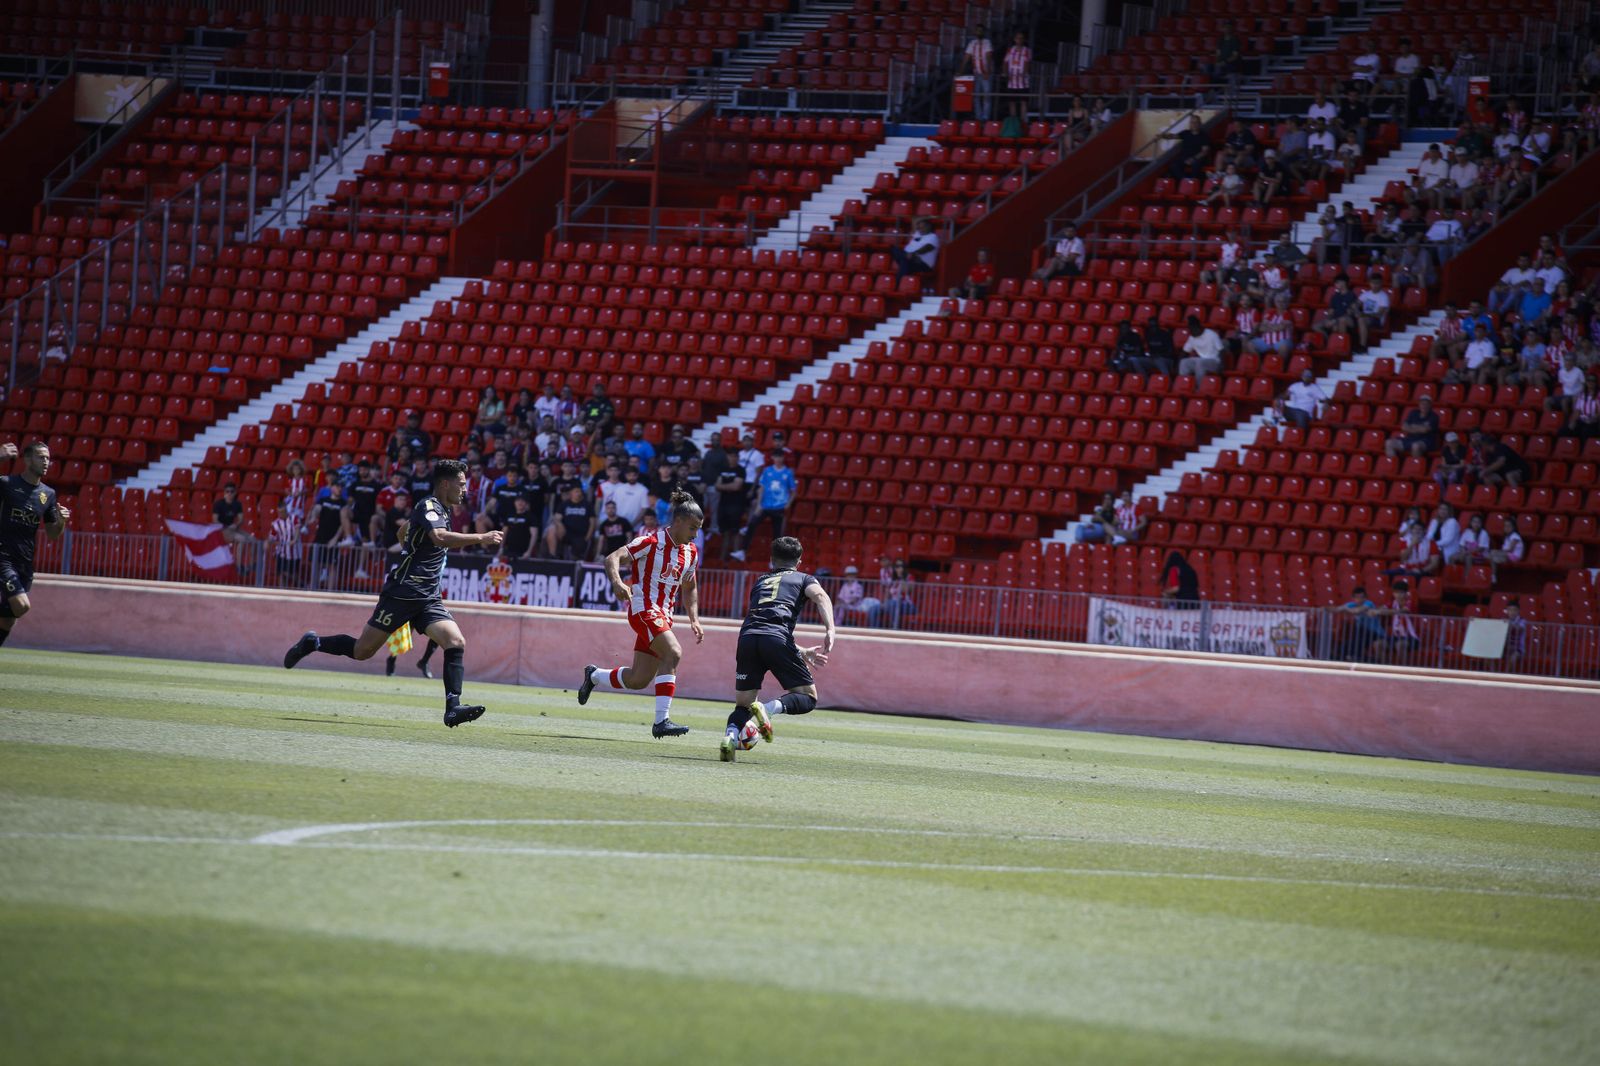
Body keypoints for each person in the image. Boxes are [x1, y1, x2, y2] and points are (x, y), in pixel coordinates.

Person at [282, 459, 504, 728]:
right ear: (445, 484)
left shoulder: (442, 509)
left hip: (427, 596)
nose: (465, 489)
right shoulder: (429, 506)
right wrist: (482, 537)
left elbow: (403, 532)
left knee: (455, 642)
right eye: (461, 484)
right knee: (362, 651)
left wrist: (410, 547)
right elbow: (440, 538)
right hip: (402, 592)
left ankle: (453, 708)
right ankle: (312, 642)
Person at [576, 490, 706, 738]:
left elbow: (690, 586)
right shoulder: (650, 542)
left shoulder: (691, 552)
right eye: (692, 527)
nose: (695, 534)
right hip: (644, 609)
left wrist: (694, 619)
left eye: (698, 529)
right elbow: (612, 557)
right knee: (674, 652)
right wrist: (616, 582)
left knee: (639, 679)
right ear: (677, 521)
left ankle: (594, 676)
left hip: (664, 616)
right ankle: (661, 722)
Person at [720, 536, 837, 762]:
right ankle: (768, 709)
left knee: (742, 704)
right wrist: (830, 629)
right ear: (799, 561)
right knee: (808, 697)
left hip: (747, 639)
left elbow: (763, 624)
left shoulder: (761, 581)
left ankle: (730, 737)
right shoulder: (804, 578)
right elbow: (820, 596)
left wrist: (801, 651)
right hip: (776, 639)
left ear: (771, 560)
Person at [0, 441, 69, 649]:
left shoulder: (47, 494)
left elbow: (53, 533)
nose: (46, 462)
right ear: (28, 459)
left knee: (7, 620)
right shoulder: (6, 483)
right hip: (3, 556)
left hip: (25, 563)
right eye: (41, 457)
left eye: (48, 458)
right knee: (21, 605)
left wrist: (62, 521)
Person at [733, 449, 796, 562]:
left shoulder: (788, 473)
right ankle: (742, 551)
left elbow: (793, 491)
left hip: (779, 506)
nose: (778, 459)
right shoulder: (767, 471)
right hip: (765, 505)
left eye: (780, 457)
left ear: (783, 458)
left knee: (777, 535)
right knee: (751, 524)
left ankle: (775, 560)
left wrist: (788, 504)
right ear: (773, 458)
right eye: (776, 457)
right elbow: (761, 488)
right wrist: (758, 504)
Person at [1332, 585, 1385, 661]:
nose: (1360, 599)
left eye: (1362, 597)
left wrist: (1346, 609)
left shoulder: (1369, 603)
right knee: (1348, 643)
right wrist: (1325, 608)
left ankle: (1354, 657)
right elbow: (1336, 609)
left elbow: (1358, 611)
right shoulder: (1351, 604)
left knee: (1358, 636)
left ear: (1365, 597)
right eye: (1357, 597)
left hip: (1376, 633)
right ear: (1353, 598)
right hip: (1362, 633)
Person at [960, 27, 994, 121]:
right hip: (976, 73)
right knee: (976, 96)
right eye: (977, 30)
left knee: (987, 95)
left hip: (985, 73)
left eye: (980, 30)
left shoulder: (987, 42)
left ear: (984, 32)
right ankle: (978, 117)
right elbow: (967, 57)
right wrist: (961, 70)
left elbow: (988, 57)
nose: (979, 32)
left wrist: (987, 71)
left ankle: (986, 117)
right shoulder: (972, 43)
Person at [1002, 31, 1031, 119]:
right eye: (1018, 38)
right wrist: (1005, 73)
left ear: (1024, 40)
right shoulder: (1010, 50)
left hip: (1023, 82)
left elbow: (1027, 63)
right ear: (1015, 39)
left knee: (1023, 102)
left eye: (1021, 38)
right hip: (1012, 82)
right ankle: (1013, 121)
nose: (1020, 40)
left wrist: (1024, 74)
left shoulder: (1027, 50)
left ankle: (1023, 121)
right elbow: (1005, 62)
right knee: (1012, 102)